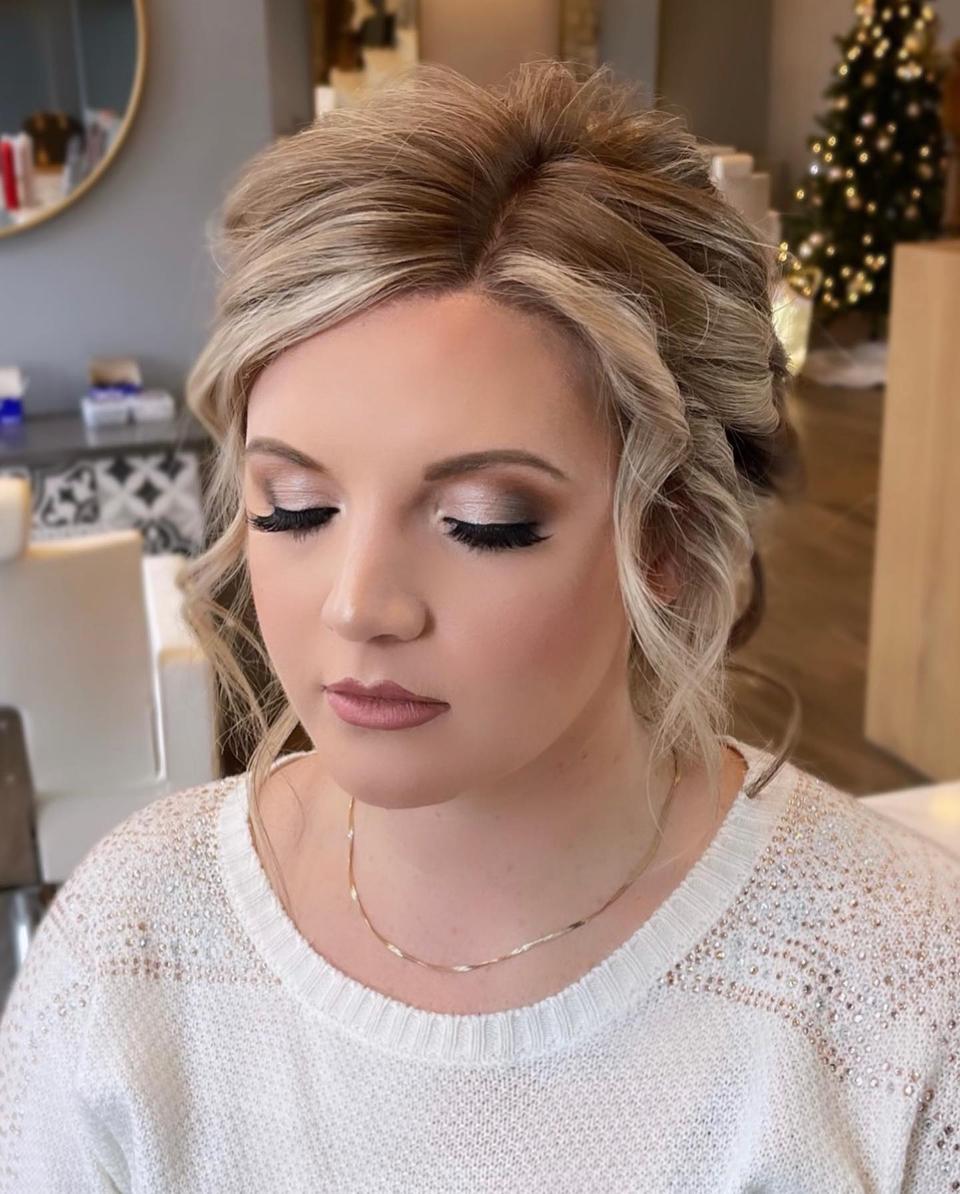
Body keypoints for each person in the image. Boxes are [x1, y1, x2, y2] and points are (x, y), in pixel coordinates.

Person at [1, 59, 958, 1193]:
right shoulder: (133, 949)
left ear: (667, 534)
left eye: (483, 522)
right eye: (295, 507)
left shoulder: (898, 992)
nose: (359, 604)